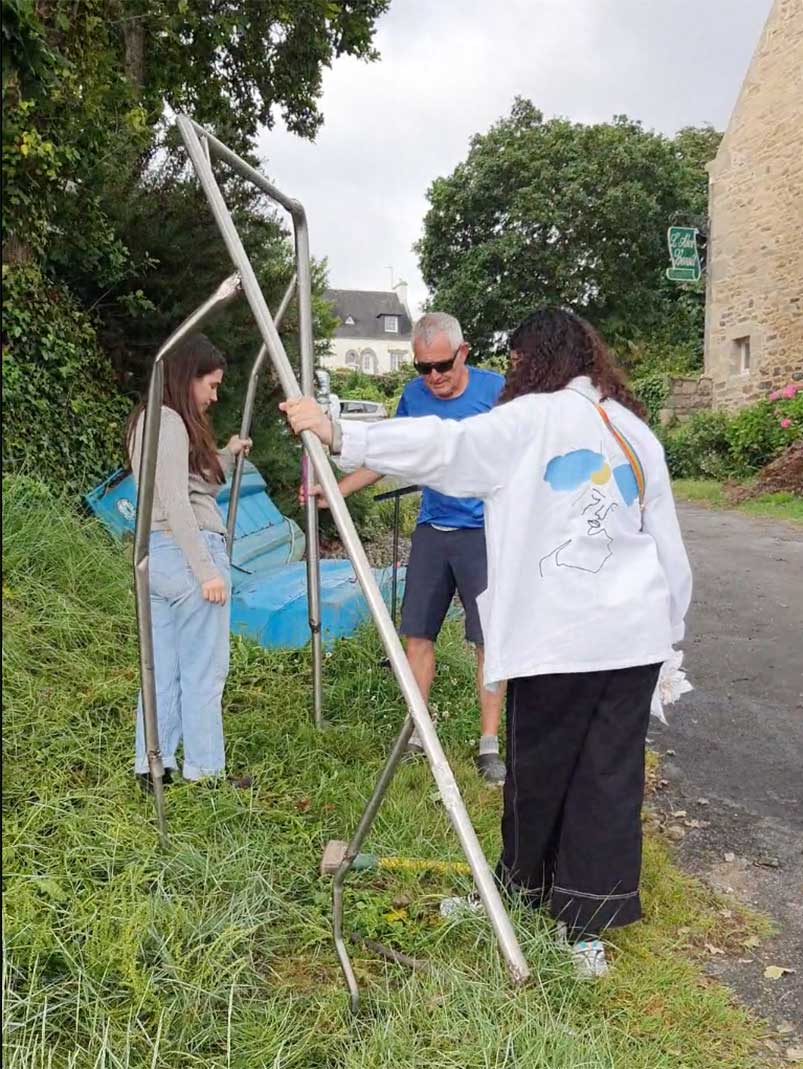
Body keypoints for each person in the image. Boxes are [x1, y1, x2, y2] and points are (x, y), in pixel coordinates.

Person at [281, 307, 692, 978]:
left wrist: (339, 433)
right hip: (632, 639)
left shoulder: (528, 420)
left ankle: (525, 897)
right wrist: (669, 638)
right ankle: (579, 926)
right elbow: (668, 547)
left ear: (530, 361)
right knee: (606, 780)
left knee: (539, 774)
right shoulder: (634, 431)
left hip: (562, 638)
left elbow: (444, 447)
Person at [305, 312, 507, 785]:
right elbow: (386, 454)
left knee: (488, 642)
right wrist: (336, 492)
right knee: (416, 635)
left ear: (463, 353)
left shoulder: (496, 391)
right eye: (422, 368)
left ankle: (489, 745)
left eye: (441, 366)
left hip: (485, 533)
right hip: (434, 530)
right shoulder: (414, 397)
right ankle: (418, 733)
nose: (433, 377)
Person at [127, 333, 252, 791]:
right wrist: (207, 572)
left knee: (163, 667)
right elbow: (178, 502)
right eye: (211, 385)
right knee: (203, 669)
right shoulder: (171, 423)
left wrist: (227, 454)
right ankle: (206, 774)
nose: (214, 396)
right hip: (186, 554)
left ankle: (152, 765)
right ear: (187, 377)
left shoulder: (149, 421)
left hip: (154, 560)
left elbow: (182, 481)